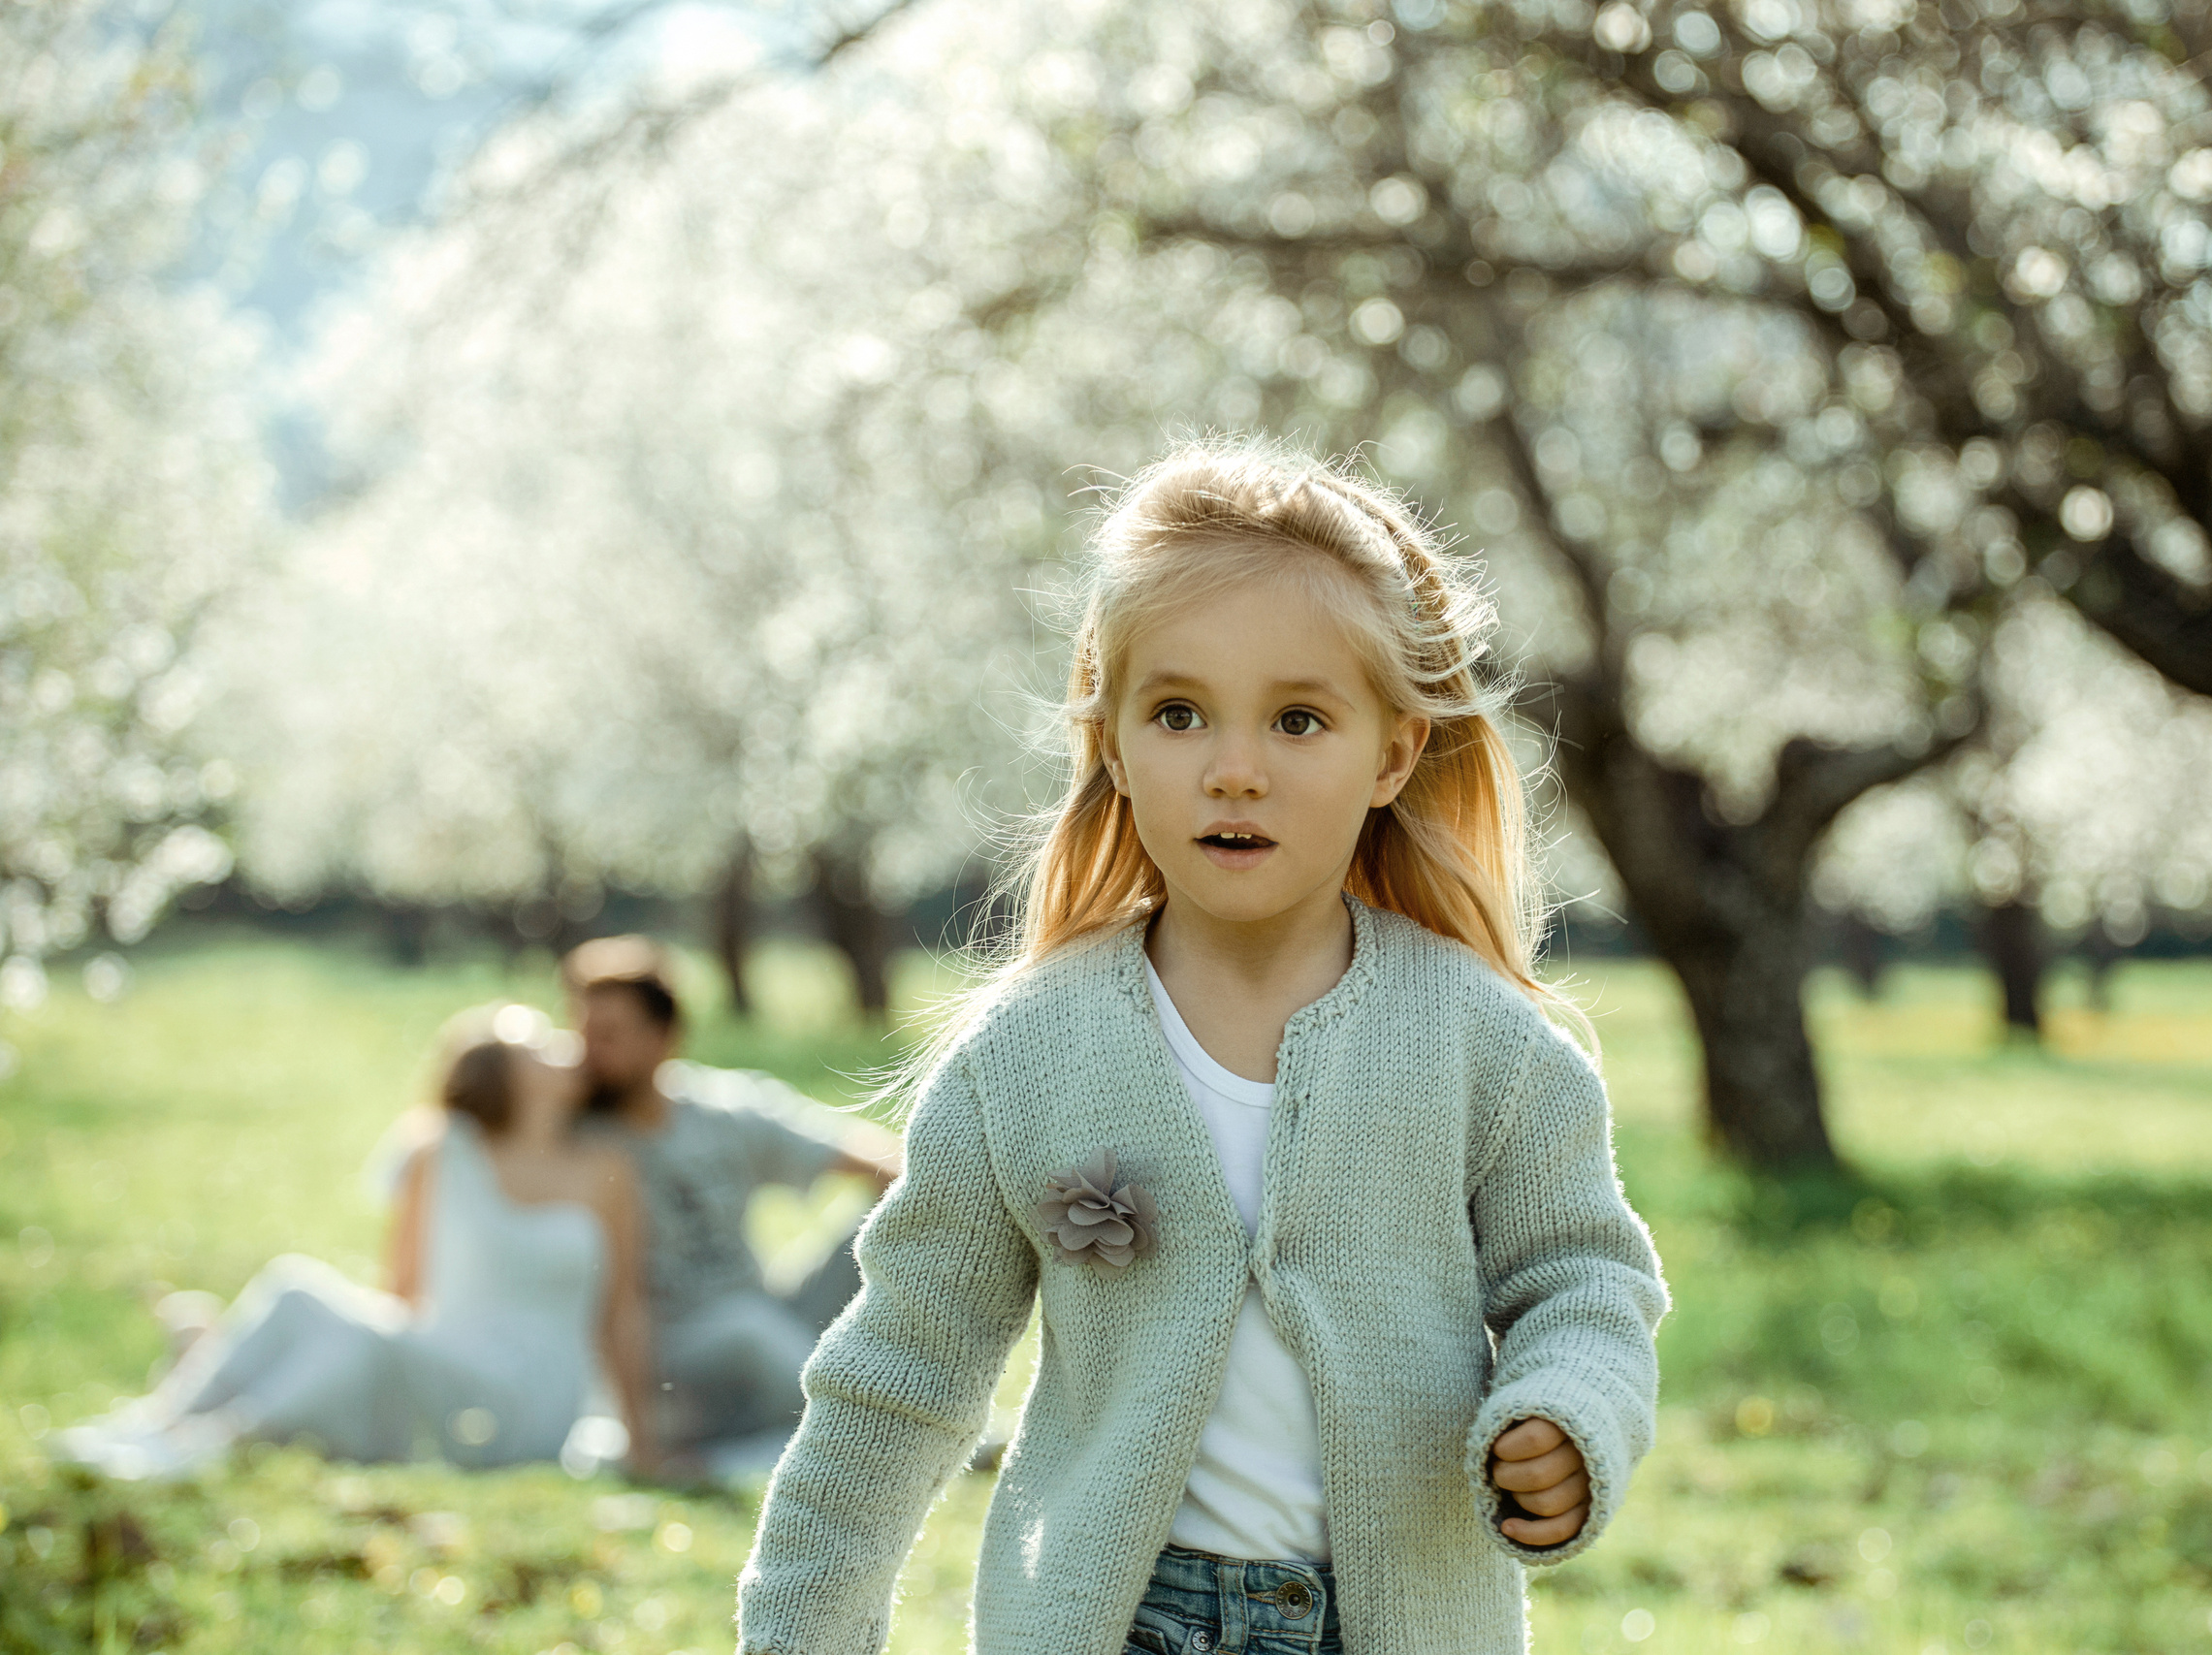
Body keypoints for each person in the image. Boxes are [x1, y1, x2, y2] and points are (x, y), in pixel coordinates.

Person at [735, 441, 1669, 1655]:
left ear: (1390, 754)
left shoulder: (1483, 1045)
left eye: (1297, 720)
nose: (1234, 770)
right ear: (1113, 744)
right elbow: (899, 1376)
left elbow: (1586, 1283)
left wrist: (1567, 1411)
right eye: (1179, 714)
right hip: (1111, 1623)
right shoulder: (1027, 1054)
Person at [55, 1004, 655, 1480]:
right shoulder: (445, 1151)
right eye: (540, 1043)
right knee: (296, 1289)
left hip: (532, 1402)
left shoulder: (604, 1170)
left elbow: (622, 1309)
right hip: (456, 1360)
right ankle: (164, 1420)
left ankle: (218, 1442)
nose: (565, 1048)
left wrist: (639, 1437)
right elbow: (402, 1291)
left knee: (358, 1342)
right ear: (504, 1071)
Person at [561, 936, 901, 1455]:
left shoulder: (722, 1110)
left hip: (760, 1310)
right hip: (671, 1349)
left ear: (662, 1038)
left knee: (893, 1216)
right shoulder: (577, 1137)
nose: (589, 1053)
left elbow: (861, 1154)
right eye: (582, 1033)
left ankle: (899, 1393)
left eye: (608, 1036)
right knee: (748, 1332)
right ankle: (896, 1430)